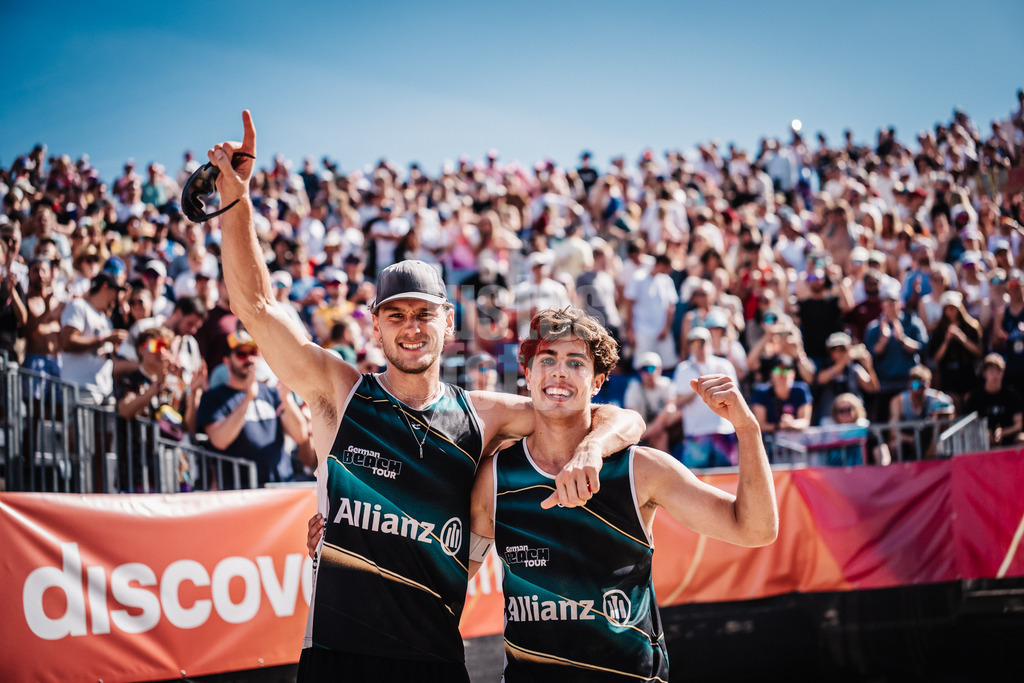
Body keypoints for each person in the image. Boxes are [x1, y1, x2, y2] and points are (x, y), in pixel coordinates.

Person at [206, 112, 643, 683]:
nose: (411, 328)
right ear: (376, 326)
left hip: (435, 660)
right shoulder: (339, 394)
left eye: (423, 315)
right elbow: (257, 308)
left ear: (449, 322)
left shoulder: (482, 415)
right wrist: (236, 202)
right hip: (338, 655)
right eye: (396, 315)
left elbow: (617, 415)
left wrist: (591, 451)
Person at [466, 307, 777, 681]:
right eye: (546, 359)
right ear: (528, 375)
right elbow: (451, 577)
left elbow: (755, 529)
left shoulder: (641, 470)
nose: (559, 371)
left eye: (575, 362)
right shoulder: (497, 478)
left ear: (598, 382)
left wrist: (747, 429)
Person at [195, 330, 309, 487]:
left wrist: (285, 398)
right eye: (241, 354)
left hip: (281, 487)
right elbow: (219, 440)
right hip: (242, 494)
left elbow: (301, 435)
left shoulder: (271, 393)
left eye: (253, 352)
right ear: (227, 361)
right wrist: (248, 398)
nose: (249, 359)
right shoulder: (213, 397)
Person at [670, 327, 741, 467]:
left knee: (728, 479)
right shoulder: (683, 369)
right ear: (689, 346)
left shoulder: (724, 365)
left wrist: (710, 389)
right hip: (696, 434)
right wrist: (698, 389)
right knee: (695, 482)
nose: (699, 347)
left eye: (701, 343)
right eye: (694, 343)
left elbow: (735, 397)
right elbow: (677, 401)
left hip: (722, 431)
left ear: (709, 343)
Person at [59, 272, 128, 405]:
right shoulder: (78, 306)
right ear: (105, 287)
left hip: (105, 390)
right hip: (80, 386)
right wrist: (105, 339)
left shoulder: (106, 320)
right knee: (82, 427)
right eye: (116, 291)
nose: (117, 298)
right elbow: (67, 343)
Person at [887, 365, 955, 460]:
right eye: (915, 385)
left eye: (922, 386)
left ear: (928, 385)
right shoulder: (899, 401)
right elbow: (893, 432)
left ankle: (932, 462)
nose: (918, 390)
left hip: (930, 439)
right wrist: (911, 439)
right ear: (909, 385)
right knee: (894, 446)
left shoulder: (937, 399)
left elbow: (949, 414)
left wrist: (936, 415)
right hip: (907, 440)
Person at [964, 353, 1024, 448]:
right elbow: (969, 424)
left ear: (1003, 373)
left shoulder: (1011, 394)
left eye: (998, 371)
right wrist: (984, 433)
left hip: (1009, 438)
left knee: (1021, 438)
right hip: (982, 440)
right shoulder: (976, 397)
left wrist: (1003, 432)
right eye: (992, 371)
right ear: (984, 373)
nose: (995, 375)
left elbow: (1018, 425)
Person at [623, 351, 677, 451]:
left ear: (659, 370)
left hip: (665, 429)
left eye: (652, 368)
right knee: (660, 436)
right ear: (640, 372)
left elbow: (671, 407)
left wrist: (657, 423)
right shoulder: (634, 389)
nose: (649, 373)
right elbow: (630, 415)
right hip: (642, 430)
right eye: (644, 369)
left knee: (664, 427)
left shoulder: (666, 384)